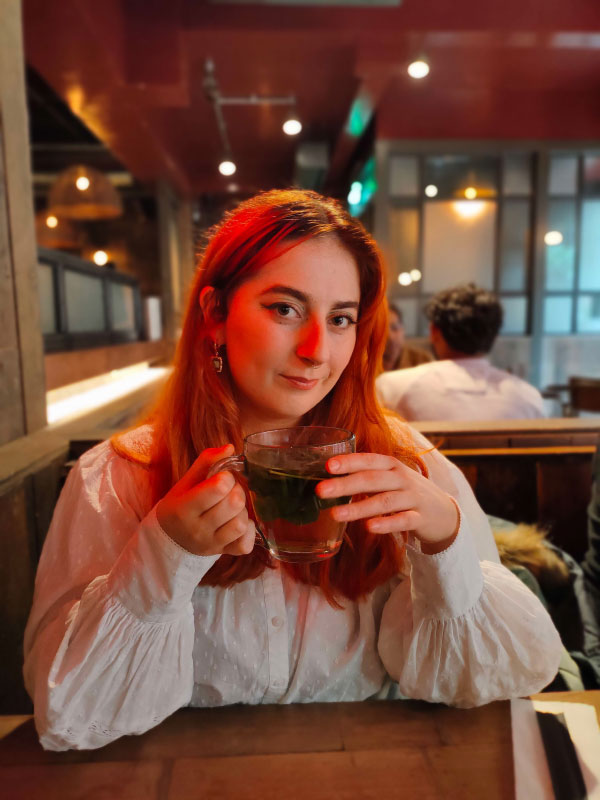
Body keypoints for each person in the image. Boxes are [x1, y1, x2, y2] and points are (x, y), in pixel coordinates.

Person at [23, 191, 561, 751]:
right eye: (285, 309)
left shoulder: (406, 463)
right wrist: (165, 554)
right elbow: (69, 718)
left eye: (341, 319)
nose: (316, 350)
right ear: (215, 314)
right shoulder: (119, 477)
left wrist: (445, 541)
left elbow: (495, 684)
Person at [376, 283, 545, 421]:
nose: (389, 336)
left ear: (434, 331)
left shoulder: (390, 389)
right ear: (494, 336)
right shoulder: (529, 397)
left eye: (394, 328)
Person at [382, 305, 433, 371]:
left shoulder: (423, 360)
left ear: (403, 329)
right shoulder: (369, 365)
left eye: (395, 328)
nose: (390, 337)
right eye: (382, 331)